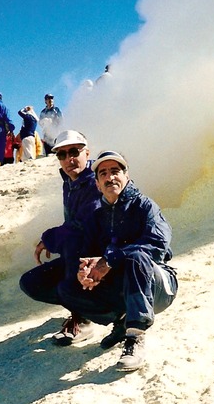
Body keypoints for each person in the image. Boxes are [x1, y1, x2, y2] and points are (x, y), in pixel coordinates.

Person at [55, 150, 178, 371]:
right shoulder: (96, 216)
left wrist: (109, 260)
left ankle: (135, 336)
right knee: (67, 289)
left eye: (115, 171)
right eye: (103, 173)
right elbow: (88, 253)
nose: (110, 177)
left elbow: (158, 245)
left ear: (126, 176)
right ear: (97, 183)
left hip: (158, 285)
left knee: (136, 257)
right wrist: (85, 271)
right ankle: (121, 321)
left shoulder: (144, 206)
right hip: (123, 287)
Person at [19, 130, 102, 344]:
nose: (68, 159)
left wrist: (49, 238)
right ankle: (83, 306)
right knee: (31, 282)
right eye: (61, 155)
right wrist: (53, 239)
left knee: (73, 244)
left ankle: (84, 317)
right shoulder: (70, 182)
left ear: (87, 153)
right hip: (80, 256)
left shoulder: (95, 182)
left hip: (102, 261)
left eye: (74, 151)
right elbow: (71, 225)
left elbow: (83, 227)